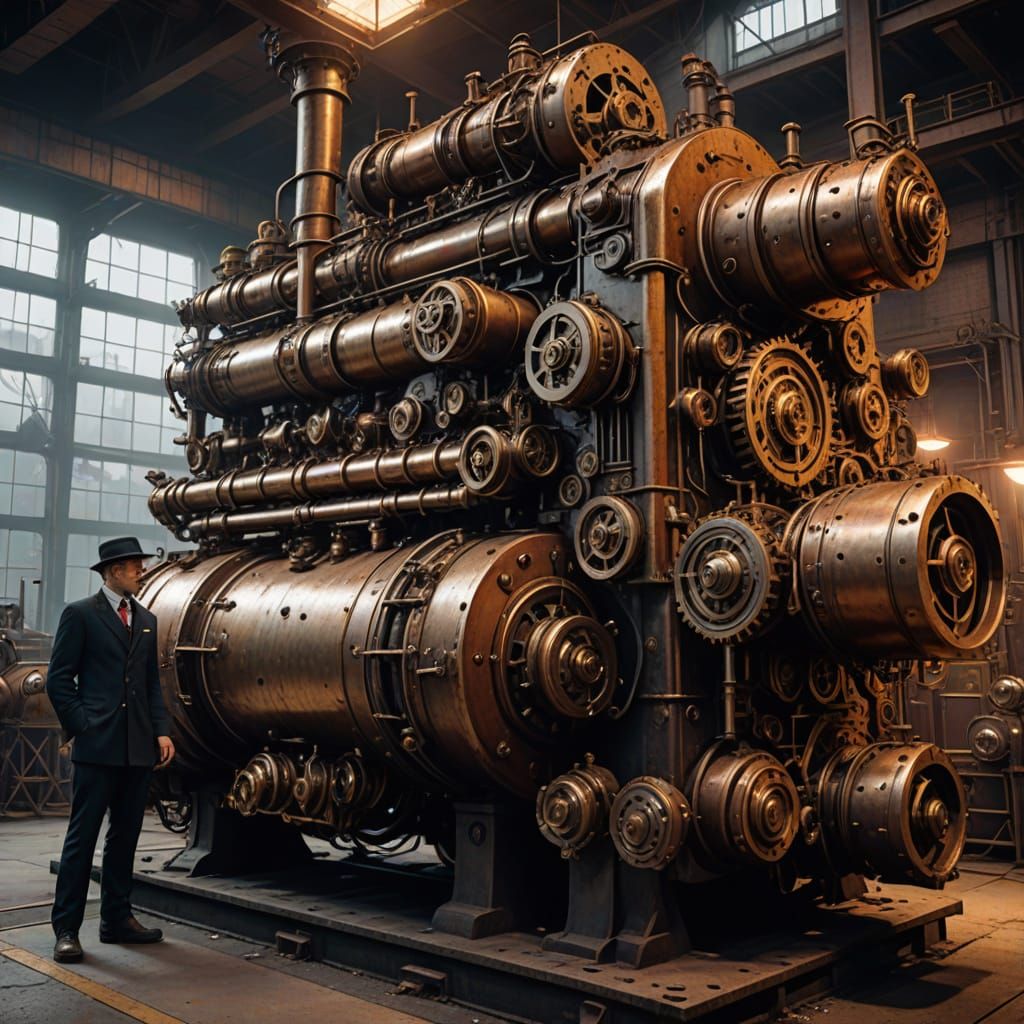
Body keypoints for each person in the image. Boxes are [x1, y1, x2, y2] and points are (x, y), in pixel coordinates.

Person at [46, 536, 175, 963]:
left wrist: (161, 731)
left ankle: (116, 920)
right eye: (135, 565)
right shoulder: (80, 614)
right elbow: (59, 680)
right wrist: (83, 726)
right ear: (113, 571)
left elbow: (151, 684)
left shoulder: (146, 618)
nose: (141, 571)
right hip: (96, 746)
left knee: (125, 838)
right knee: (81, 840)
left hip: (137, 748)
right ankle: (66, 929)